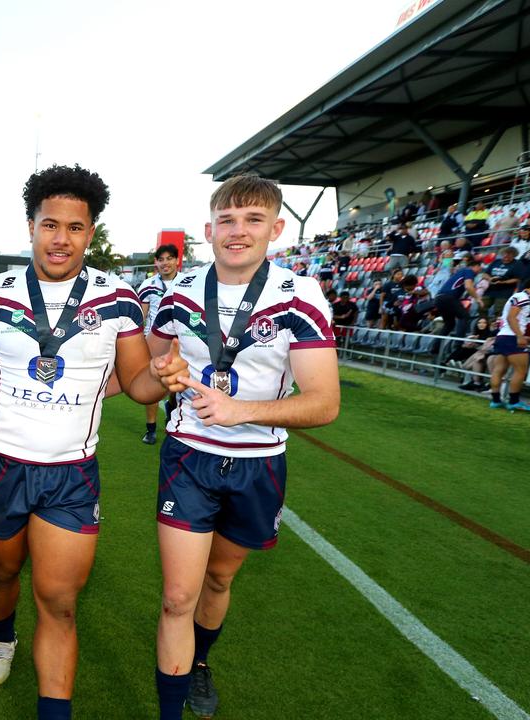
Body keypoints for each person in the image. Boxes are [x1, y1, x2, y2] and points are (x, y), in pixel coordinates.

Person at [0, 164, 184, 720]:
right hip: (3, 465)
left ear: (91, 232)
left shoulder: (118, 298)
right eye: (50, 224)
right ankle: (3, 636)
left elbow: (135, 382)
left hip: (71, 474)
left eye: (76, 228)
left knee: (59, 605)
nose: (61, 239)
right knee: (4, 572)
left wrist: (165, 374)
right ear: (30, 226)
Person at [149, 175, 340, 720]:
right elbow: (150, 367)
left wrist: (243, 411)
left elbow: (324, 403)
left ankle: (200, 663)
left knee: (218, 579)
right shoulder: (179, 290)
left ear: (276, 229)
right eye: (227, 221)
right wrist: (166, 371)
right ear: (209, 230)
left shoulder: (299, 295)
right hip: (189, 457)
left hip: (259, 464)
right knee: (178, 597)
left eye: (253, 220)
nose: (239, 232)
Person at [137, 244, 181, 445]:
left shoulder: (187, 283)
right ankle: (151, 428)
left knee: (177, 385)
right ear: (156, 262)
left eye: (169, 258)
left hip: (180, 343)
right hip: (153, 341)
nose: (165, 263)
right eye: (161, 259)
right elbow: (141, 316)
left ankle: (172, 411)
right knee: (154, 383)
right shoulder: (148, 285)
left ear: (176, 260)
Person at [488, 277, 530, 412]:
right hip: (512, 337)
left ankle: (495, 400)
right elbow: (512, 317)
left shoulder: (517, 296)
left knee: (499, 369)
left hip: (502, 336)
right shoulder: (523, 298)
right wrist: (520, 336)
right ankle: (514, 402)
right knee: (521, 370)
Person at [434, 257, 484, 339]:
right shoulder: (469, 271)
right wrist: (478, 298)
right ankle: (458, 344)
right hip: (448, 297)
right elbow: (468, 286)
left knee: (449, 324)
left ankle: (435, 348)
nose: (479, 271)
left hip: (439, 298)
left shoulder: (460, 272)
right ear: (475, 266)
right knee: (464, 316)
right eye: (479, 268)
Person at [453, 316, 496, 391]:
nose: (481, 324)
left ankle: (477, 383)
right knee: (465, 357)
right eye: (479, 323)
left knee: (477, 359)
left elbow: (487, 346)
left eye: (484, 323)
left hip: (487, 353)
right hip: (480, 352)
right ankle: (453, 362)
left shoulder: (491, 333)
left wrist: (475, 345)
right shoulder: (475, 333)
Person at [484, 246, 524, 320]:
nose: (506, 256)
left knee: (499, 311)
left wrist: (503, 282)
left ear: (514, 255)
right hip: (490, 289)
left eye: (509, 254)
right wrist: (490, 279)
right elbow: (485, 274)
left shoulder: (517, 263)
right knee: (482, 306)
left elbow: (517, 279)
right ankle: (483, 325)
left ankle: (496, 327)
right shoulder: (496, 261)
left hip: (505, 291)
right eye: (505, 253)